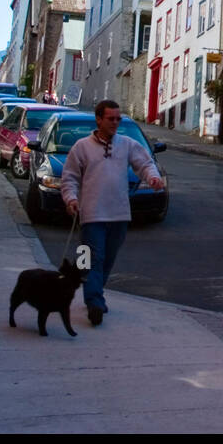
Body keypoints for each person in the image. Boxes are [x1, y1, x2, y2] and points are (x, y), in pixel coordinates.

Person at [60, 100, 165, 325]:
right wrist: (71, 198)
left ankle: (95, 291)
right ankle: (94, 302)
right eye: (111, 119)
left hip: (119, 214)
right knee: (93, 258)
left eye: (118, 119)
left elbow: (144, 163)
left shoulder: (126, 144)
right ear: (99, 119)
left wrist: (153, 177)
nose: (116, 122)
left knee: (107, 259)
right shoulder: (81, 147)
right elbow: (69, 177)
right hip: (91, 214)